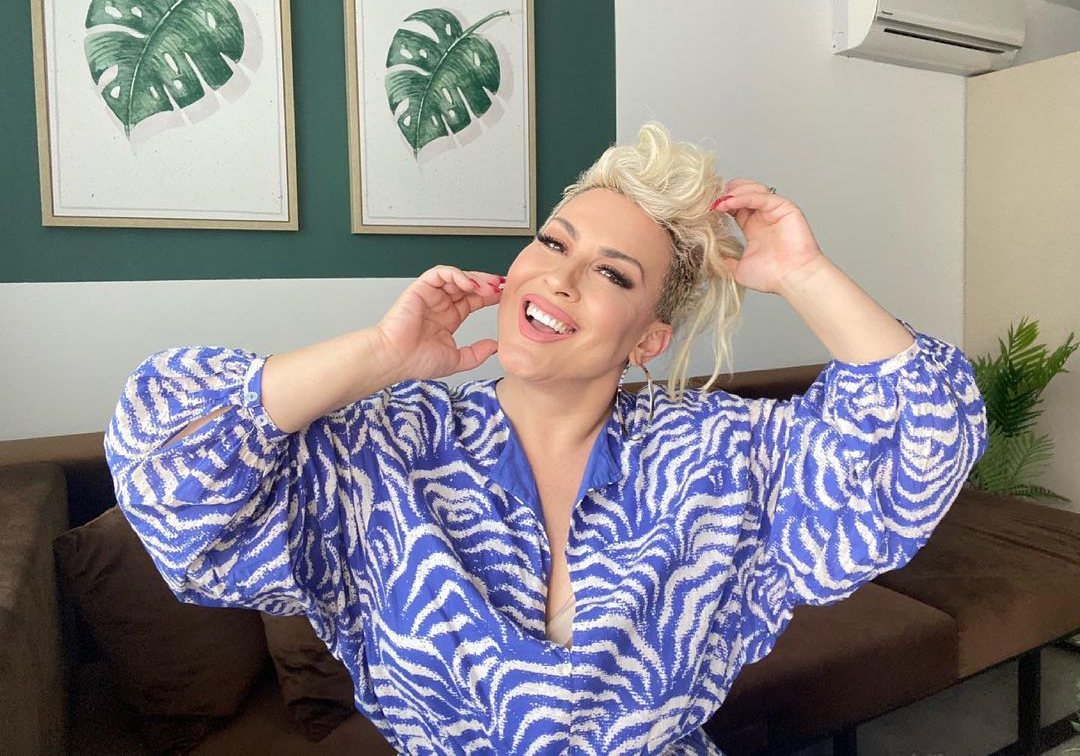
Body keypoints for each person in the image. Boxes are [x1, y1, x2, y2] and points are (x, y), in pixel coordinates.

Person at [104, 121, 989, 755]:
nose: (561, 278)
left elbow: (923, 437)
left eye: (612, 274)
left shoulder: (714, 456)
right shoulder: (389, 450)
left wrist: (803, 273)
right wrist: (379, 355)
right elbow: (166, 466)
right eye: (553, 242)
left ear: (648, 339)